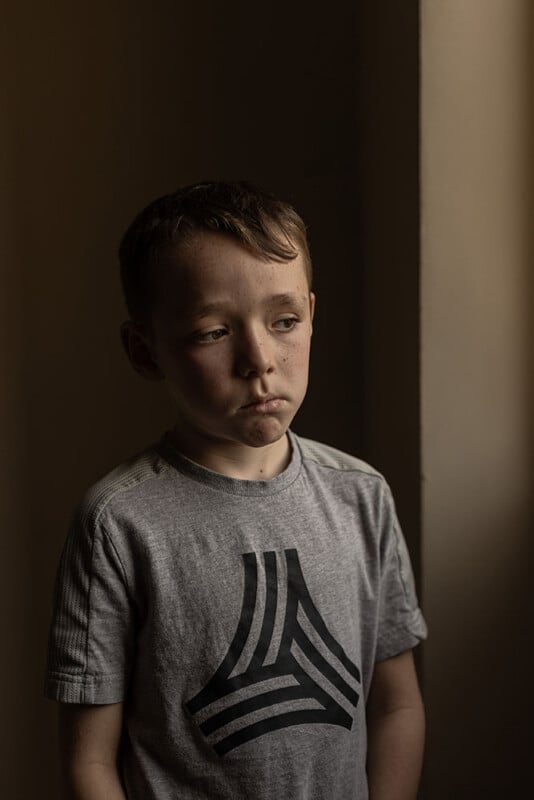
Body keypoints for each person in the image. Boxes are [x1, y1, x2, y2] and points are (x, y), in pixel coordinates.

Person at [45, 181, 427, 800]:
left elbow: (397, 707)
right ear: (145, 351)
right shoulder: (119, 522)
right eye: (212, 332)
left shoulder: (362, 496)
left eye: (283, 321)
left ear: (311, 314)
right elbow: (90, 761)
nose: (259, 359)